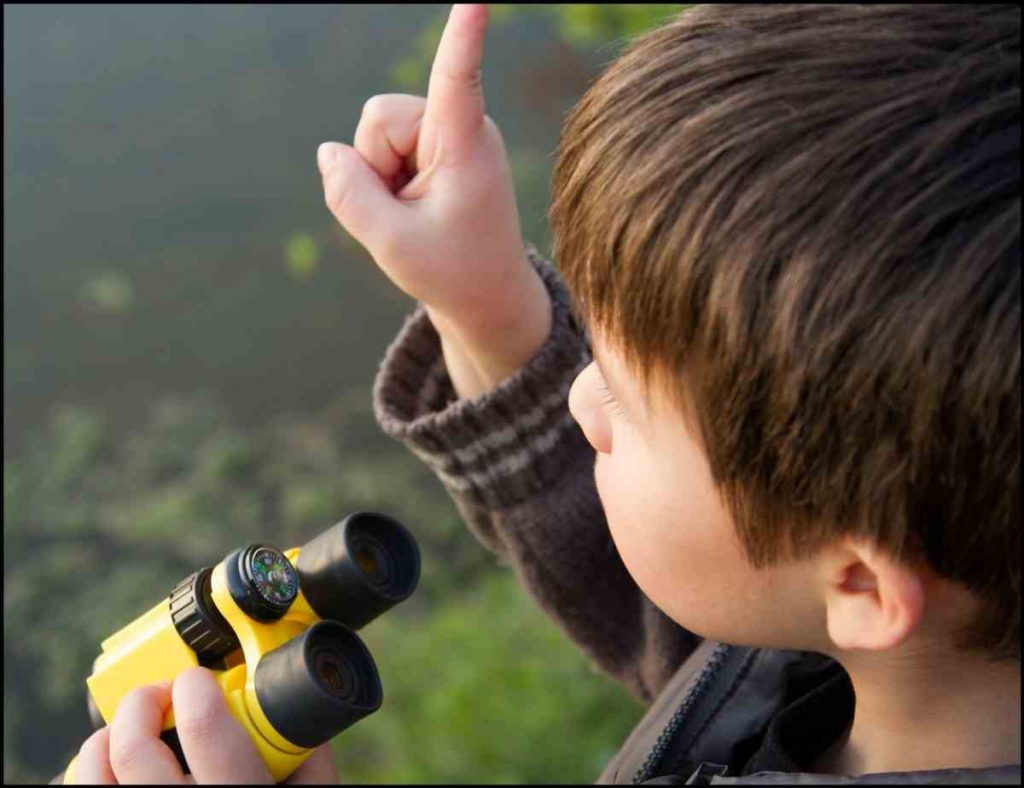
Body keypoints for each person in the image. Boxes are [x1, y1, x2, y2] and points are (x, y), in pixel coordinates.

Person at [68, 3, 1020, 784]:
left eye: (627, 403)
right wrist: (486, 310)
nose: (579, 402)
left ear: (859, 580)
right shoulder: (859, 634)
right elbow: (700, 610)